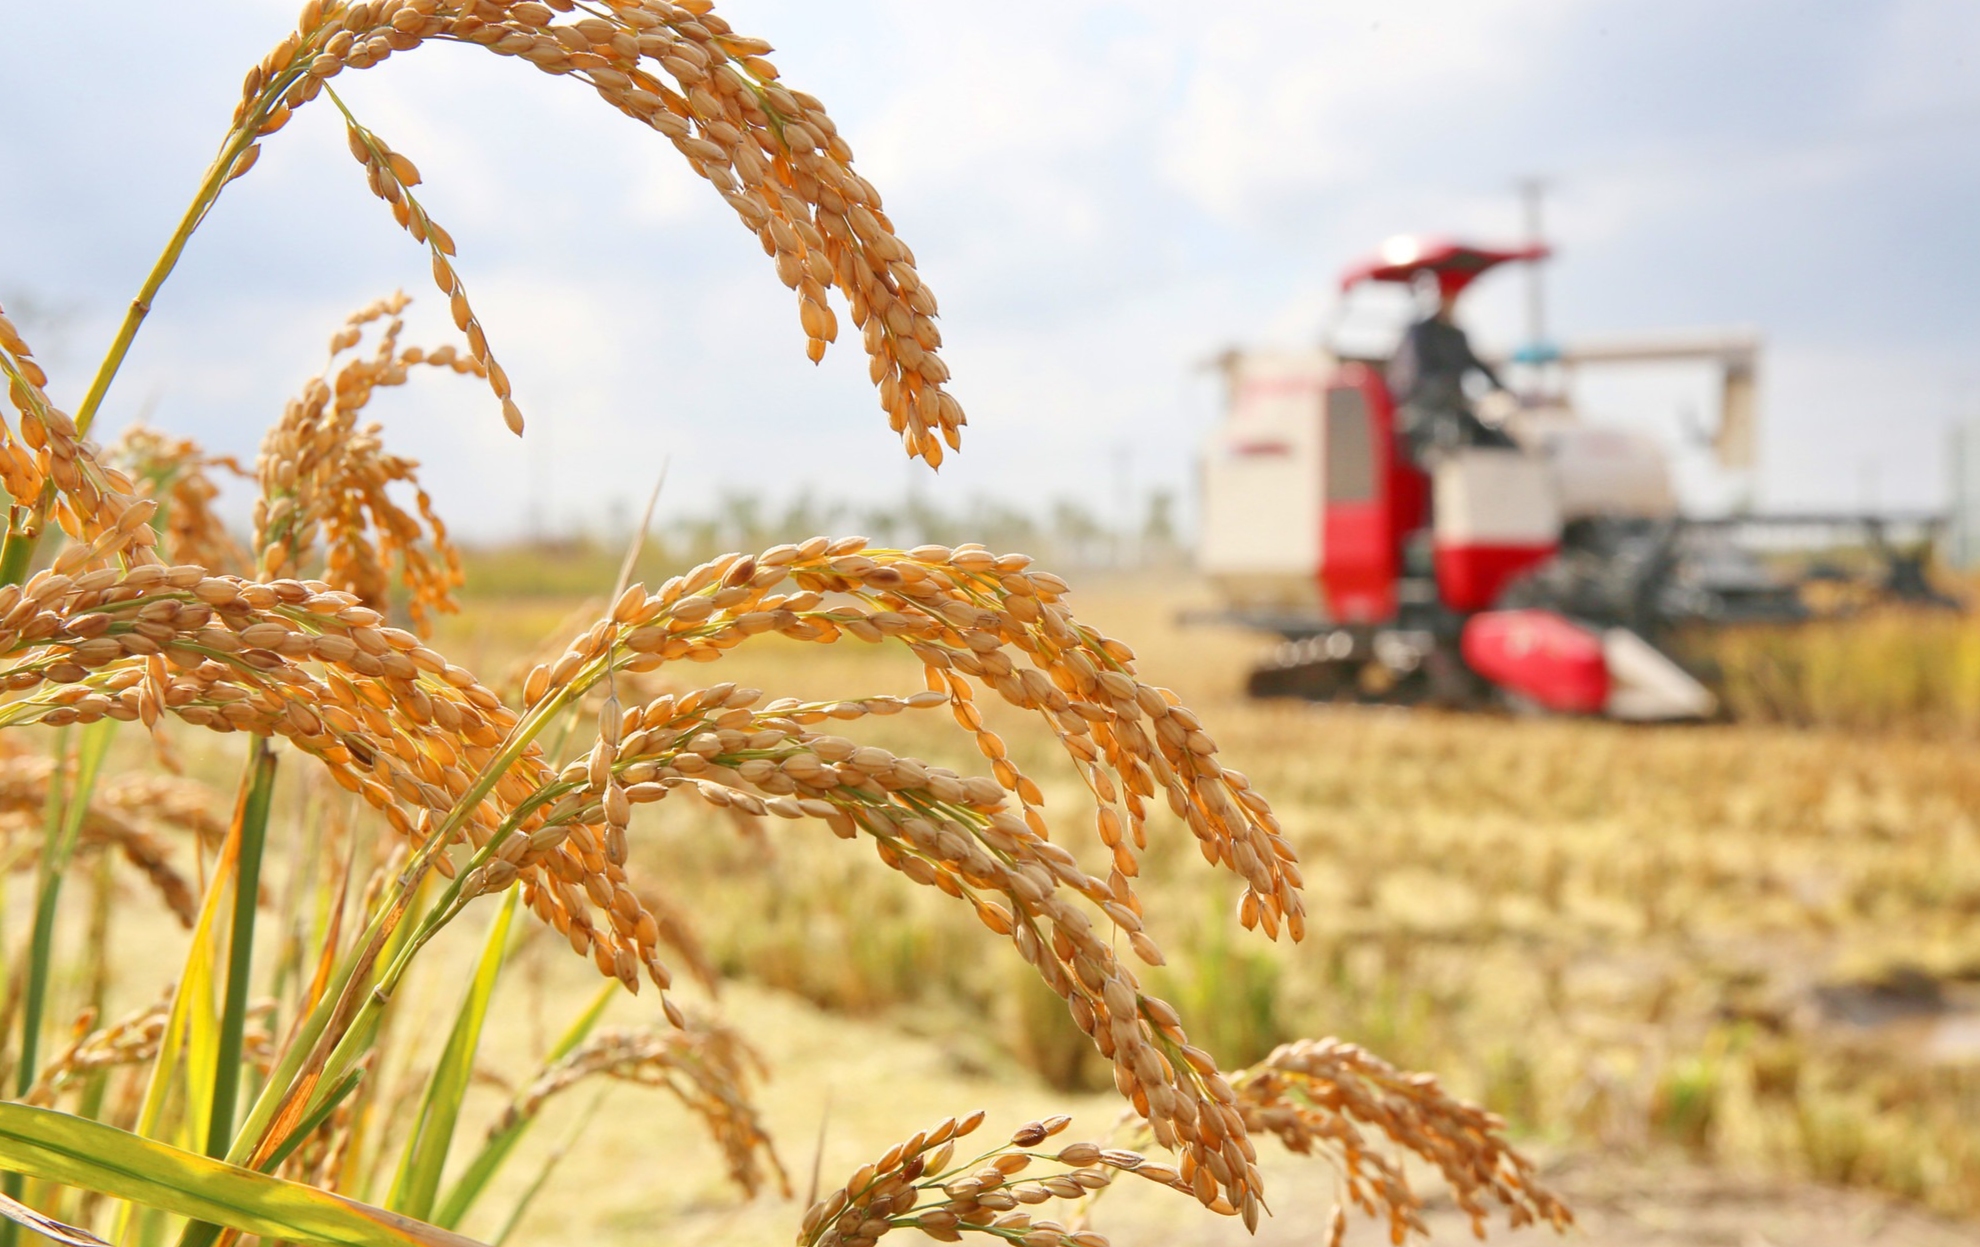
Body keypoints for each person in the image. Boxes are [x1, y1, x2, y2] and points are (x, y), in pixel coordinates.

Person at [1387, 275, 1515, 465]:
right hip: (1424, 405)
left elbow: (1475, 364)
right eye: (1446, 296)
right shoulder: (1421, 332)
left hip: (1455, 404)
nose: (1450, 302)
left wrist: (1502, 389)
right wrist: (1441, 386)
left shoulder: (1457, 335)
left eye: (1454, 297)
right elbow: (1413, 371)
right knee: (1448, 437)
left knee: (1498, 439)